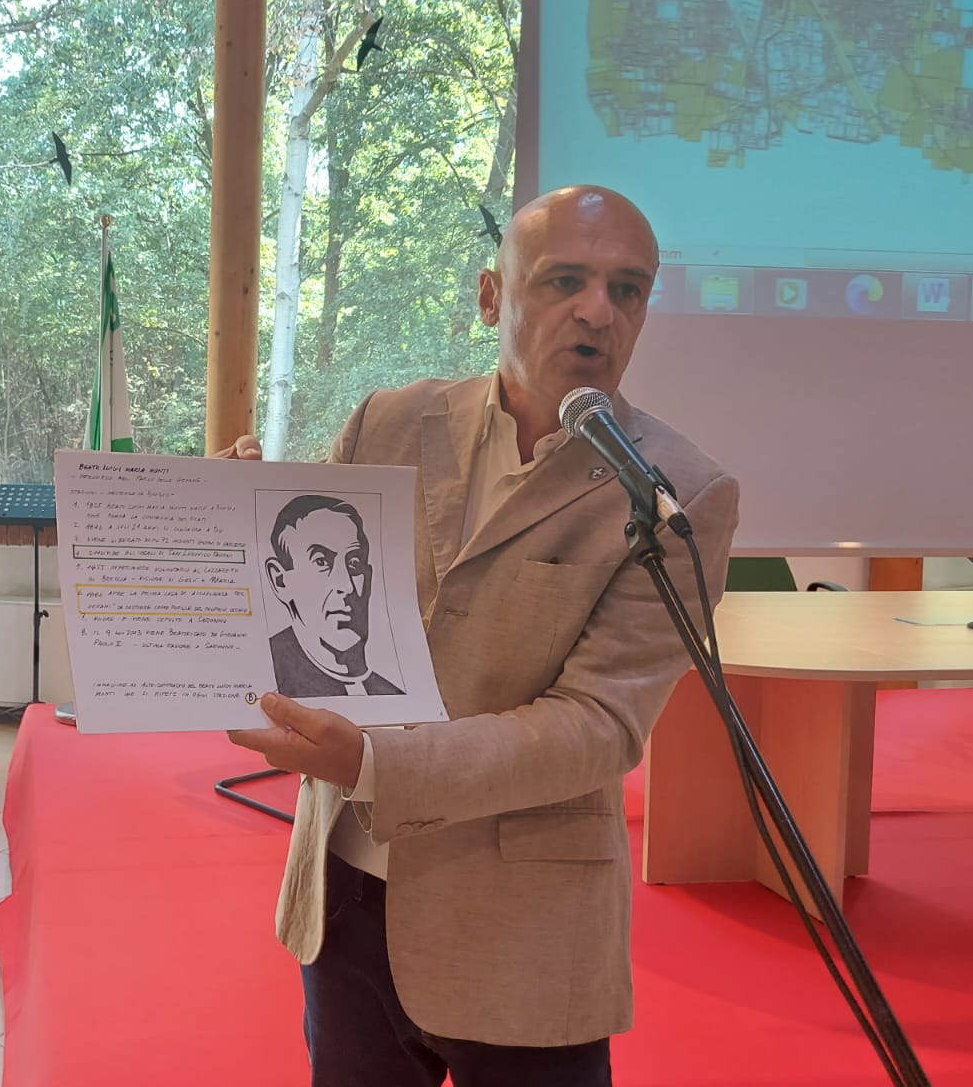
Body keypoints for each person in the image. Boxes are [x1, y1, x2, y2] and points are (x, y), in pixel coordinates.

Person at [223, 185, 740, 1087]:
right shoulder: (387, 422)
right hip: (341, 899)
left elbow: (598, 725)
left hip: (523, 932)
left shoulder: (673, 493)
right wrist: (222, 524)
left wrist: (374, 763)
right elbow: (298, 605)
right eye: (564, 280)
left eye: (627, 289)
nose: (598, 311)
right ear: (491, 296)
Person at [265, 495, 403, 698]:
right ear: (280, 580)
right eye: (321, 561)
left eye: (354, 563)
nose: (346, 586)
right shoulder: (263, 675)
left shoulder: (391, 694)